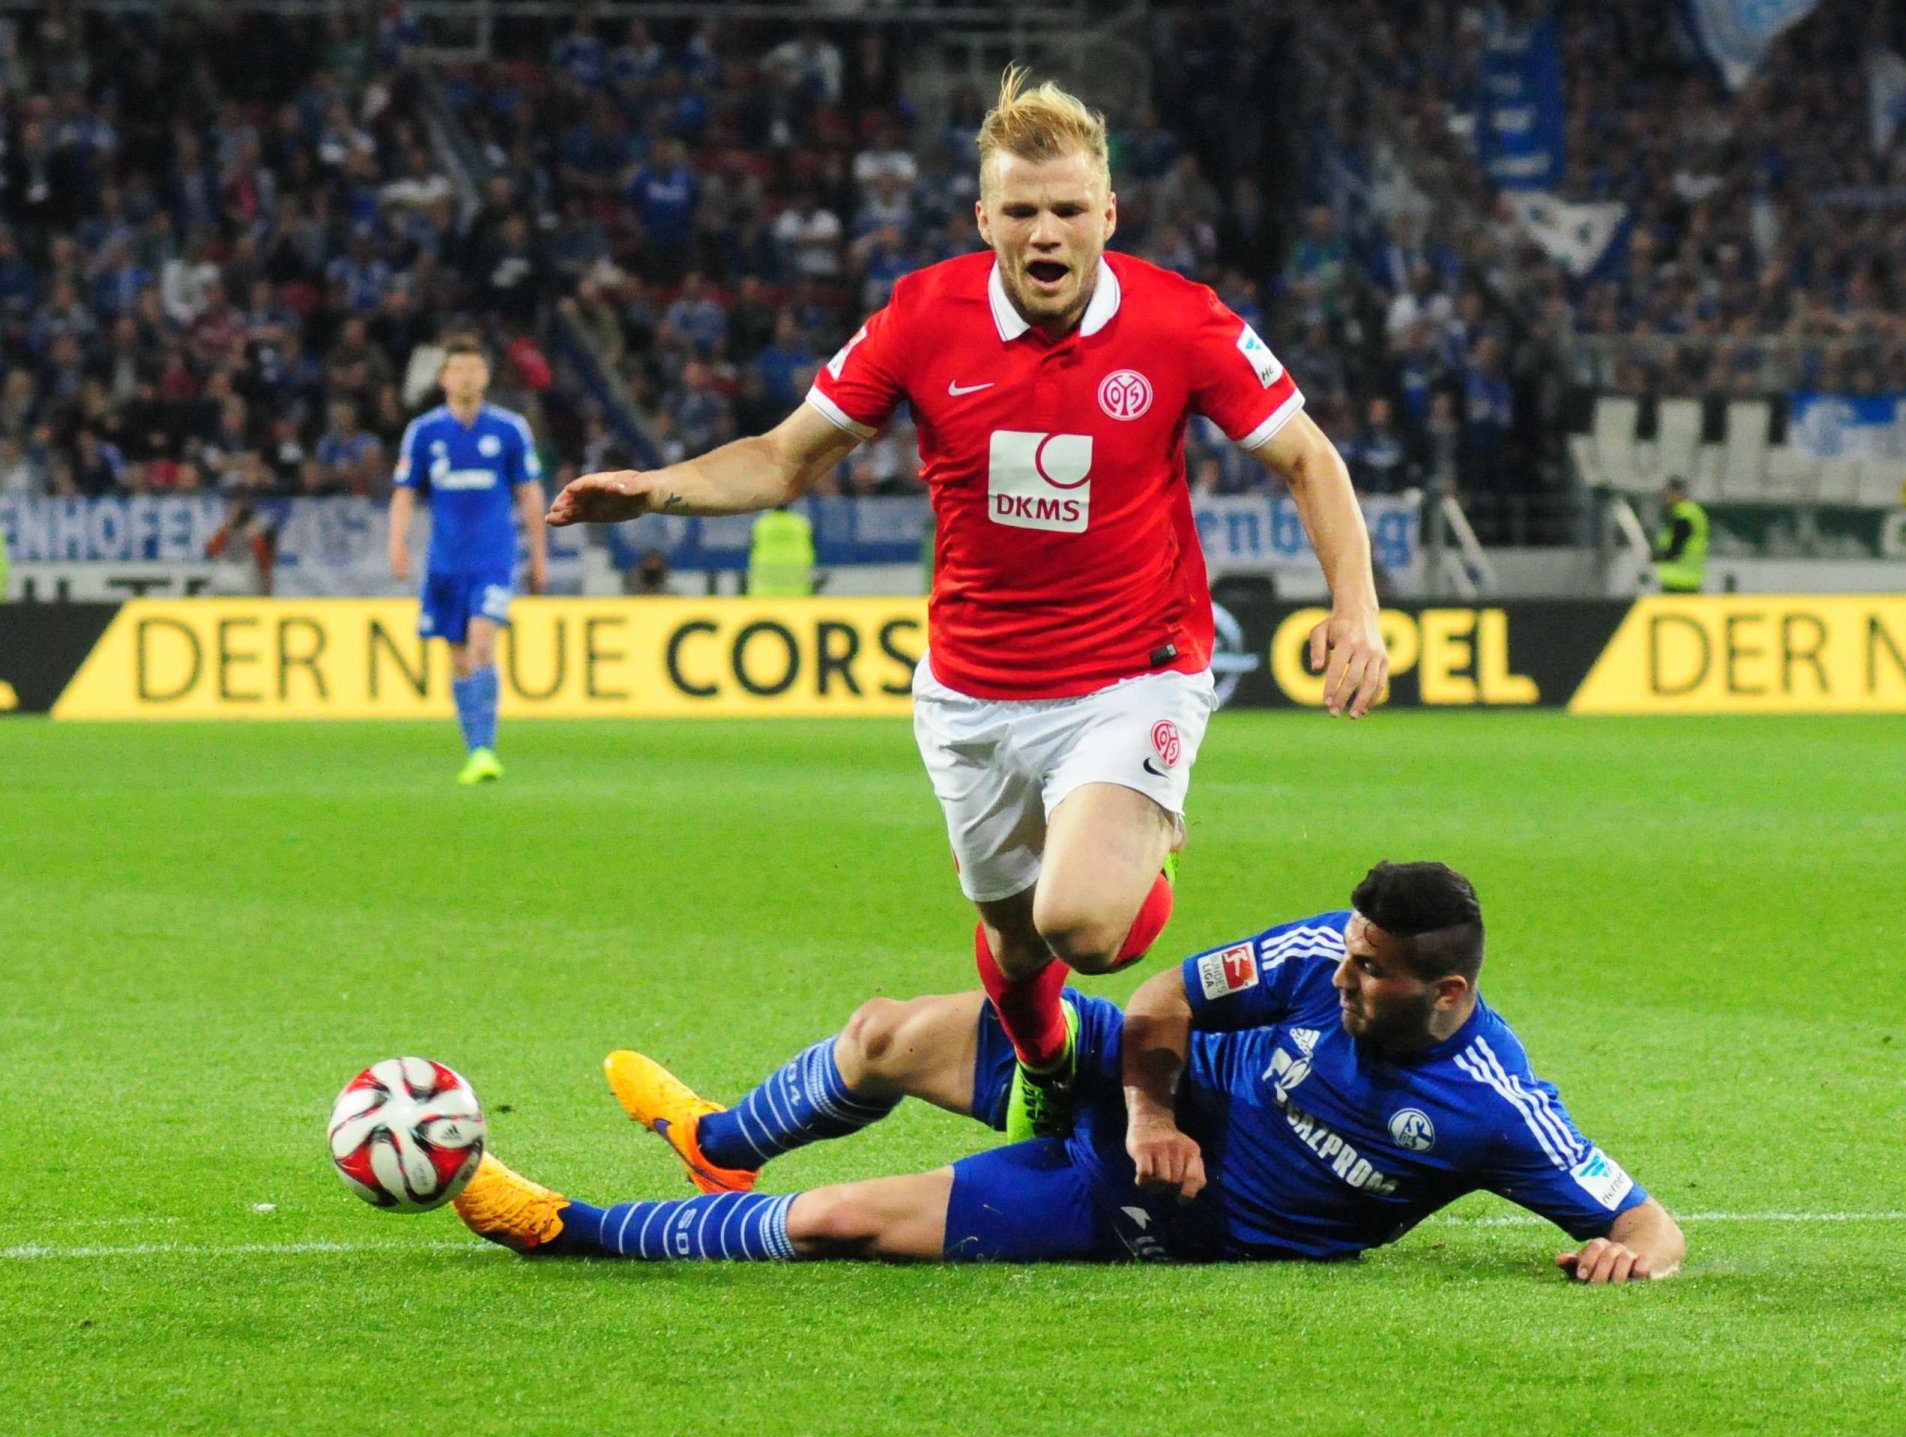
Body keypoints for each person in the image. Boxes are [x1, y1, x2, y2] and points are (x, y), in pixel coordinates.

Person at [545, 67, 1389, 1141]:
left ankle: (1139, 834)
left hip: (1135, 672)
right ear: (984, 217)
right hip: (971, 694)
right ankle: (1042, 1064)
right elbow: (780, 459)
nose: (1048, 233)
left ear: (1108, 216)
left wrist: (1354, 608)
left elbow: (1308, 457)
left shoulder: (1182, 321)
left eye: (1070, 210)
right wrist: (659, 488)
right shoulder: (919, 316)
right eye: (1024, 211)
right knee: (1017, 943)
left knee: (1083, 922)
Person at [450, 860, 1685, 1283]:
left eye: (1375, 975)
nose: (1347, 978)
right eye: (1351, 957)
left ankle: (569, 1231)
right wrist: (1151, 1104)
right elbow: (1158, 1000)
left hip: (1159, 1213)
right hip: (1145, 1097)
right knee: (884, 1029)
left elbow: (1647, 1221)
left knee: (836, 1223)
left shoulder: (1494, 1107)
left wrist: (1633, 1254)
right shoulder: (1322, 954)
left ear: (1448, 995)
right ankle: (720, 1143)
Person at [388, 337, 547, 785]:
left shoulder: (510, 429)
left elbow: (530, 493)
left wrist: (539, 555)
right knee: (457, 658)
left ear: (487, 376)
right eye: (457, 369)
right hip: (444, 562)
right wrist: (397, 544)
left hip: (494, 557)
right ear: (443, 378)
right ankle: (473, 747)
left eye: (474, 369)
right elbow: (404, 492)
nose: (466, 377)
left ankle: (485, 749)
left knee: (481, 643)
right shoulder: (424, 432)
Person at [1656, 476, 1709, 593]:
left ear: (1678, 493)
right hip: (1690, 581)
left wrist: (1655, 557)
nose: (1665, 497)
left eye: (1668, 492)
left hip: (1678, 583)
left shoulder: (1684, 515)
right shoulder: (1692, 512)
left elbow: (1676, 549)